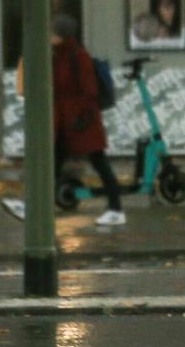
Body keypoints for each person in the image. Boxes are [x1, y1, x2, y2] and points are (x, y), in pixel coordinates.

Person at [10, 14, 126, 226]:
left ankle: (116, 209)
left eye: (52, 33)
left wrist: (81, 118)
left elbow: (89, 91)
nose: (49, 36)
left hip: (82, 123)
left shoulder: (78, 57)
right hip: (65, 124)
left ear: (62, 36)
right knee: (51, 166)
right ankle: (32, 206)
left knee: (100, 164)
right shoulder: (56, 56)